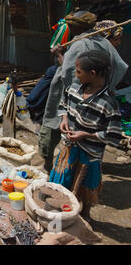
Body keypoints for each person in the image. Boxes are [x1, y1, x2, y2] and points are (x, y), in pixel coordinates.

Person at [39, 19, 128, 173]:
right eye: (117, 39)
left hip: (74, 97)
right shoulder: (95, 47)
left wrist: (59, 54)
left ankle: (52, 165)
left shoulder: (83, 45)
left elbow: (68, 71)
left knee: (57, 130)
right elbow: (119, 68)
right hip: (79, 99)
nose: (118, 43)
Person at [50, 51, 122, 221]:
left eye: (78, 71)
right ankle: (62, 210)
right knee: (63, 181)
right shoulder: (74, 88)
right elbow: (63, 105)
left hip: (90, 154)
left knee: (87, 187)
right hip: (69, 147)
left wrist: (87, 134)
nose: (76, 75)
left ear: (93, 73)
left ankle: (85, 214)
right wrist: (65, 118)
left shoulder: (108, 103)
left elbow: (113, 135)